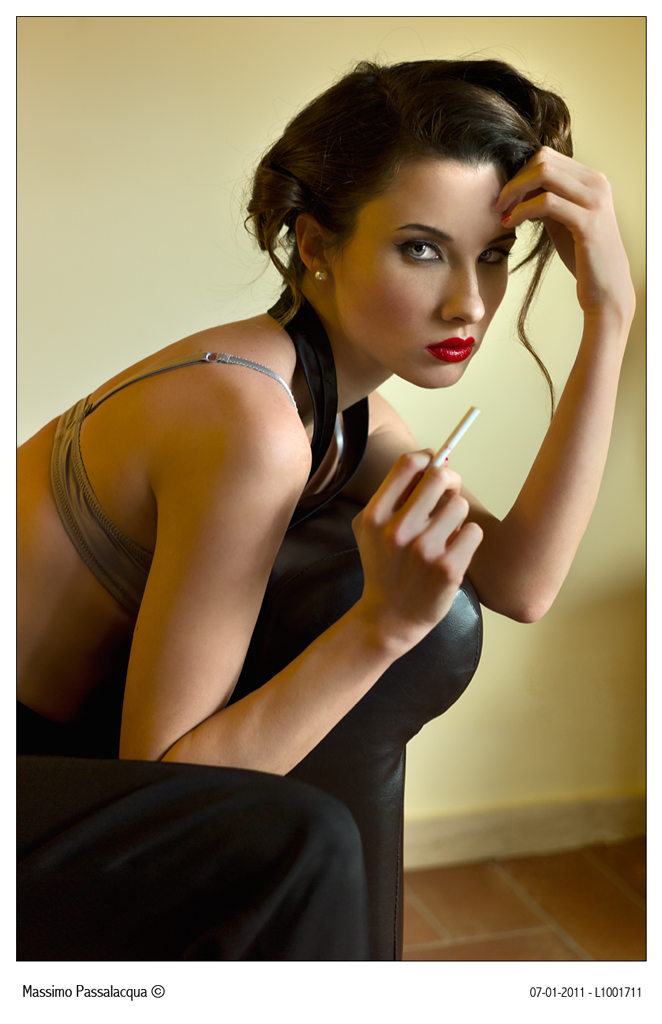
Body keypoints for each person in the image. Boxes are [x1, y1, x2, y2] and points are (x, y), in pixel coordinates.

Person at [17, 58, 635, 960]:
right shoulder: (249, 419)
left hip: (57, 750)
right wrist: (381, 627)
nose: (468, 302)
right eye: (421, 248)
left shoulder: (343, 413)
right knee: (305, 841)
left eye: (493, 255)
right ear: (314, 244)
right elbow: (172, 795)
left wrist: (610, 313)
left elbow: (521, 582)